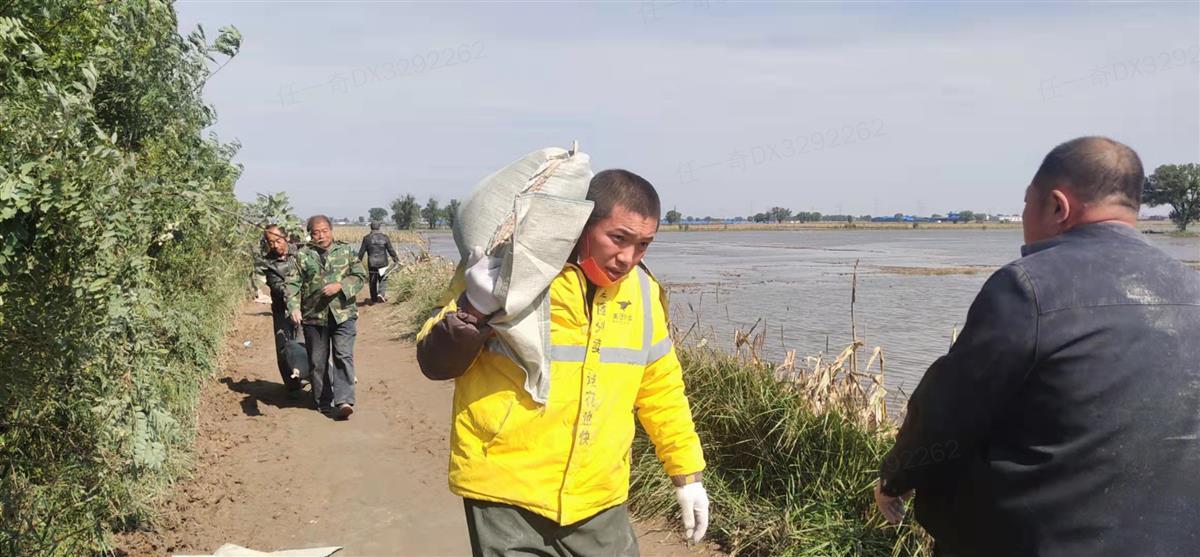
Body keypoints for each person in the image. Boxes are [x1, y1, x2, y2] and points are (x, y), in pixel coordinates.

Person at [874, 137, 1200, 556]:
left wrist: (897, 476)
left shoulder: (1028, 287)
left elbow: (949, 409)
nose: (1024, 219)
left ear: (1058, 206)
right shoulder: (1192, 287)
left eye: (1027, 205)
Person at [416, 170, 710, 556]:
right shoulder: (510, 271)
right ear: (582, 225)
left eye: (643, 245)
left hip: (599, 495)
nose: (628, 258)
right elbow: (434, 362)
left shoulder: (642, 293)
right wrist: (474, 309)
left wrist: (686, 474)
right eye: (618, 238)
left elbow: (661, 389)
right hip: (506, 490)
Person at [286, 215, 368, 420]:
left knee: (343, 356)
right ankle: (323, 400)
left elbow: (360, 275)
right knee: (318, 360)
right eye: (316, 232)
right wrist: (294, 308)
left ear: (331, 231)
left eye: (324, 231)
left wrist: (340, 286)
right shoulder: (303, 256)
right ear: (310, 234)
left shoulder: (346, 251)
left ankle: (344, 401)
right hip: (314, 316)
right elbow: (292, 285)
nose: (321, 235)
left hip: (343, 315)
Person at [256, 225, 304, 396]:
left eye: (278, 241)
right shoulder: (268, 262)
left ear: (286, 238)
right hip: (281, 309)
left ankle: (316, 381)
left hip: (306, 307)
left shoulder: (301, 252)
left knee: (308, 344)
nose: (275, 245)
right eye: (271, 243)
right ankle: (292, 386)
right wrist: (292, 301)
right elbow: (277, 287)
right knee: (283, 345)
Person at [357, 221, 400, 304]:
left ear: (371, 227)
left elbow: (361, 252)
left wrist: (357, 262)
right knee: (383, 279)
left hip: (372, 263)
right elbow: (391, 250)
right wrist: (396, 260)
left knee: (373, 281)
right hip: (383, 262)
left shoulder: (366, 238)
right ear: (379, 227)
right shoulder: (385, 237)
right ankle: (381, 294)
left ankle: (374, 300)